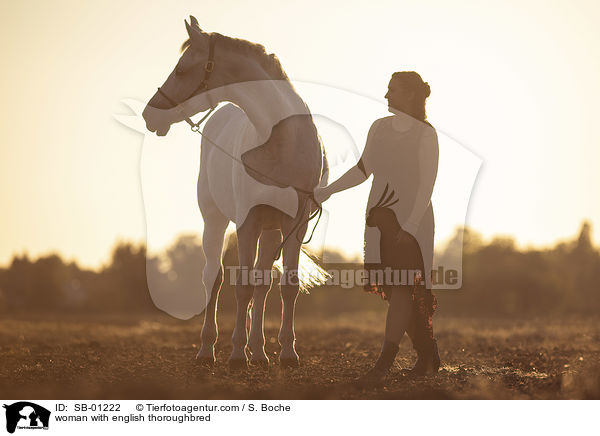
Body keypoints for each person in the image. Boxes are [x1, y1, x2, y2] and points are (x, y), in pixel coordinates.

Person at [313, 71, 440, 385]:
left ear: (410, 94)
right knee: (402, 293)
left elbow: (427, 186)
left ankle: (385, 362)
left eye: (392, 90)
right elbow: (363, 170)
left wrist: (409, 227)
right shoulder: (379, 128)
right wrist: (327, 191)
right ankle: (428, 355)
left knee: (402, 289)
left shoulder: (426, 134)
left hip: (413, 223)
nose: (386, 96)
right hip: (377, 221)